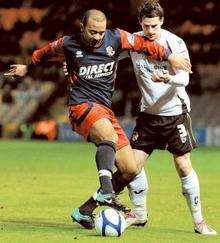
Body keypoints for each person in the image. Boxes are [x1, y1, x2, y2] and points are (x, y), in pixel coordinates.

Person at [4, 9, 191, 230]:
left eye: (101, 32)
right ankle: (106, 190)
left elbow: (144, 44)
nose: (98, 37)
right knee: (109, 136)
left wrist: (169, 56)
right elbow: (43, 53)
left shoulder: (116, 37)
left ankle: (84, 210)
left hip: (104, 110)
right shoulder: (68, 43)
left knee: (130, 169)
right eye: (93, 32)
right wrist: (28, 67)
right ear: (82, 27)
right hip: (81, 105)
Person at [123, 0, 217, 235]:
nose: (151, 31)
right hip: (148, 115)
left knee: (183, 164)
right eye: (146, 26)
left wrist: (168, 78)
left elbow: (185, 78)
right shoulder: (133, 41)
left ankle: (199, 222)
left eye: (155, 26)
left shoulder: (175, 43)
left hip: (174, 114)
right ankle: (139, 214)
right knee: (132, 166)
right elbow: (110, 56)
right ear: (140, 23)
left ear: (162, 21)